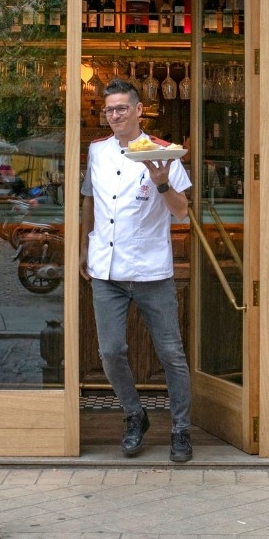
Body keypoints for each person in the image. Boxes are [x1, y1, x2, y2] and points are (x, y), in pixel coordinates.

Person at [80, 79, 194, 463]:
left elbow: (182, 212)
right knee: (110, 352)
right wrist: (84, 247)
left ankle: (180, 428)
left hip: (151, 271)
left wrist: (162, 184)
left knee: (171, 353)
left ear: (138, 110)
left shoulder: (164, 153)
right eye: (108, 110)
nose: (114, 116)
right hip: (106, 270)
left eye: (121, 109)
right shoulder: (97, 151)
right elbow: (89, 201)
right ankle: (134, 414)